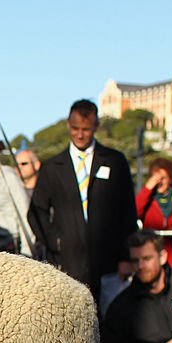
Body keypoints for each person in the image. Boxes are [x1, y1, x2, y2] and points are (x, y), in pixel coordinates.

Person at [28, 99, 137, 313]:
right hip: (66, 264)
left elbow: (128, 212)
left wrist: (126, 257)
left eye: (86, 129)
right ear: (68, 125)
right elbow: (37, 211)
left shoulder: (115, 161)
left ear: (96, 126)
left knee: (111, 321)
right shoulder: (53, 167)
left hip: (109, 263)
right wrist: (54, 242)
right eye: (75, 128)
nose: (80, 134)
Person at [135, 157, 172, 268]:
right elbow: (135, 211)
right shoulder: (147, 198)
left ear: (170, 179)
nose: (159, 182)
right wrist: (147, 189)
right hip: (152, 251)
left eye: (163, 178)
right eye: (155, 178)